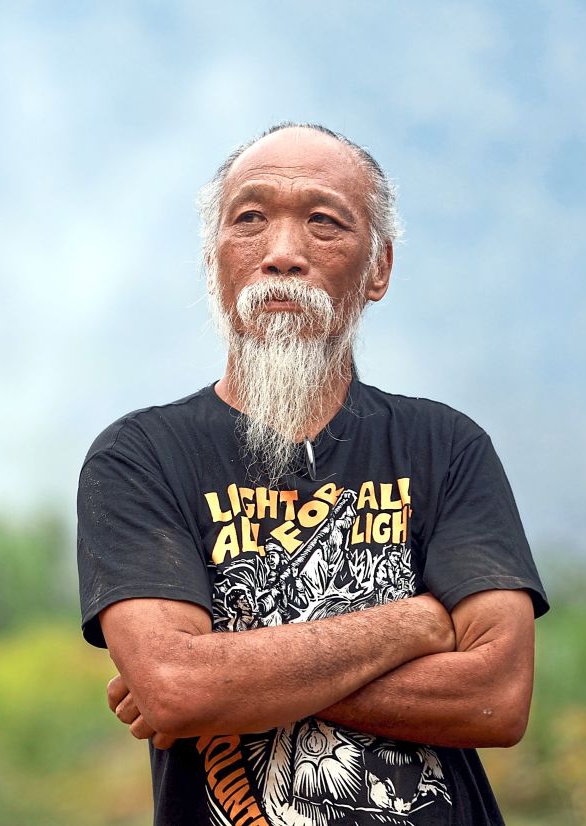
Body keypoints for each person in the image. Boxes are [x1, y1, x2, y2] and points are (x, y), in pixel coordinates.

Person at [76, 122, 549, 826]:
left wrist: (225, 681)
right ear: (215, 262)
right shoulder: (140, 458)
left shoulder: (445, 447)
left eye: (324, 223)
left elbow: (497, 697)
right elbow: (177, 688)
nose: (283, 254)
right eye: (250, 220)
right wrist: (417, 623)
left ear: (378, 269)